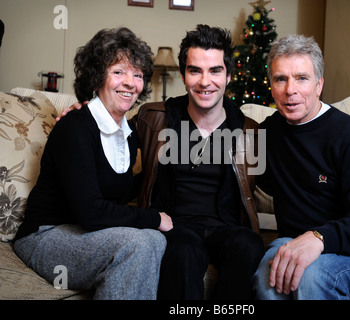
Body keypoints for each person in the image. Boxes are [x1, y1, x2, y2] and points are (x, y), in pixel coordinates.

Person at [14, 27, 173, 300]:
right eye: (118, 72)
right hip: (45, 236)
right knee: (139, 243)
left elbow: (114, 189)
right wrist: (154, 217)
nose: (130, 83)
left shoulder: (129, 134)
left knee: (155, 240)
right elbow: (91, 211)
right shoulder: (75, 127)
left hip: (86, 234)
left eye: (137, 75)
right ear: (98, 77)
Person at [252, 34, 350, 300]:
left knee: (311, 279)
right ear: (271, 85)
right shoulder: (268, 133)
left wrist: (318, 238)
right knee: (267, 277)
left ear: (319, 84)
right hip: (293, 240)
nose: (290, 90)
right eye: (280, 79)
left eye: (302, 78)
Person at [130, 24, 265, 300]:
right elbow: (110, 137)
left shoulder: (249, 130)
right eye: (195, 70)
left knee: (249, 244)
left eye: (215, 70)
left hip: (226, 229)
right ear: (183, 75)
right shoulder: (154, 118)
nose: (205, 82)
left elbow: (278, 183)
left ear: (228, 75)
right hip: (174, 227)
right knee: (185, 249)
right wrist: (85, 114)